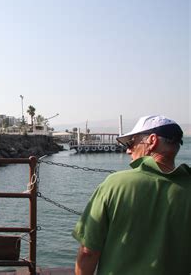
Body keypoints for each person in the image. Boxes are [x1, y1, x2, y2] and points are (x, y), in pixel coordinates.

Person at [72, 115, 191, 275]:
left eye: (131, 143)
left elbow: (88, 252)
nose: (128, 149)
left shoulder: (114, 185)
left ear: (152, 140)